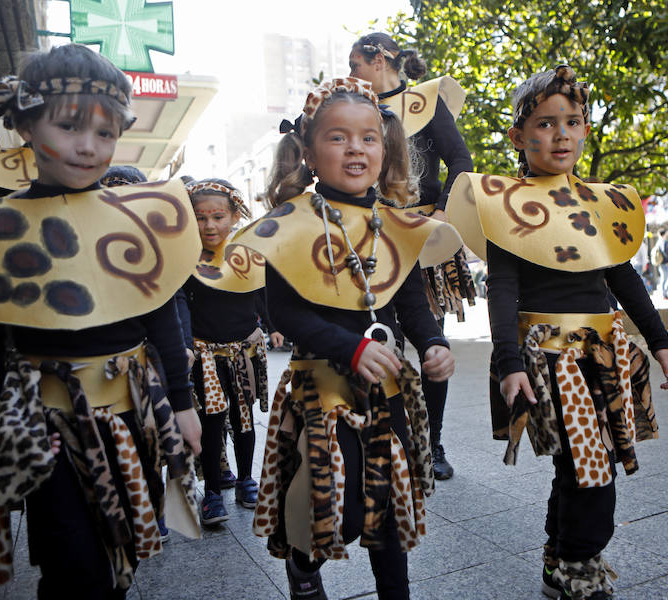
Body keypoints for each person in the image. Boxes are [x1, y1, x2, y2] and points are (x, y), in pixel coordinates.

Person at [0, 44, 203, 597]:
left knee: (127, 549)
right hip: (45, 425)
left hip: (132, 415)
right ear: (23, 124)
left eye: (106, 133)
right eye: (69, 127)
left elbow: (160, 308)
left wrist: (183, 404)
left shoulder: (137, 217)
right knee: (70, 563)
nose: (89, 147)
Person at [447, 66, 668, 600]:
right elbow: (502, 291)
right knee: (590, 468)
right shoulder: (507, 207)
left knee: (583, 463)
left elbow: (625, 277)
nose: (561, 134)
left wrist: (661, 340)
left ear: (586, 130)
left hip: (607, 352)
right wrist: (509, 364)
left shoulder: (603, 204)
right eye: (546, 123)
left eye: (572, 122)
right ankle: (579, 562)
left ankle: (560, 555)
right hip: (549, 357)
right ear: (518, 137)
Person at [239, 77, 460, 600]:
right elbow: (285, 312)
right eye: (338, 137)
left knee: (387, 508)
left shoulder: (397, 224)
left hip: (386, 388)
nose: (356, 148)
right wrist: (351, 348)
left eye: (369, 137)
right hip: (322, 390)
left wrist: (434, 343)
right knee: (332, 504)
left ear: (385, 150)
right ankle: (303, 563)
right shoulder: (289, 225)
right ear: (309, 154)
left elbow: (409, 301)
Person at [349, 32, 475, 480]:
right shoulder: (356, 106)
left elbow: (461, 160)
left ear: (379, 58)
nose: (351, 73)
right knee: (380, 333)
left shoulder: (427, 100)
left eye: (355, 63)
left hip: (424, 237)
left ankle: (433, 442)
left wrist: (440, 214)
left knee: (430, 339)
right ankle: (390, 435)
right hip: (371, 237)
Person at [177, 178, 282, 526]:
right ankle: (211, 494)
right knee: (210, 423)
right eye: (201, 218)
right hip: (203, 353)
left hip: (243, 352)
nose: (210, 225)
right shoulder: (184, 257)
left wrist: (275, 324)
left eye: (218, 216)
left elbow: (264, 292)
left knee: (244, 418)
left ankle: (246, 480)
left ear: (235, 214)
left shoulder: (249, 252)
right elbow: (178, 302)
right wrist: (183, 341)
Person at [651, 229, 668, 299]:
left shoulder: (659, 242)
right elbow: (664, 252)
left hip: (663, 263)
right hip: (665, 263)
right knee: (666, 279)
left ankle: (665, 293)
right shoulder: (663, 242)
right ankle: (664, 294)